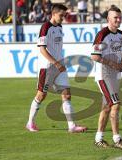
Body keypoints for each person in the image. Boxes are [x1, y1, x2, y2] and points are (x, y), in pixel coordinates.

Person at [26, 4, 87, 133]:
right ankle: (30, 123)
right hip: (47, 67)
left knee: (67, 95)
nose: (63, 18)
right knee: (41, 95)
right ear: (53, 14)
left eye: (64, 15)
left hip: (59, 66)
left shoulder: (59, 27)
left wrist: (60, 63)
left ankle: (72, 126)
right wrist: (56, 63)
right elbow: (42, 49)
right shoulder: (45, 27)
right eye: (61, 15)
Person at [91, 5, 122, 150]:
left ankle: (98, 139)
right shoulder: (102, 35)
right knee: (116, 104)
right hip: (104, 75)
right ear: (108, 19)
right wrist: (112, 64)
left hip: (115, 76)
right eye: (115, 17)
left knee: (107, 107)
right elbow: (95, 56)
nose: (118, 20)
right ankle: (117, 138)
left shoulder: (121, 34)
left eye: (120, 17)